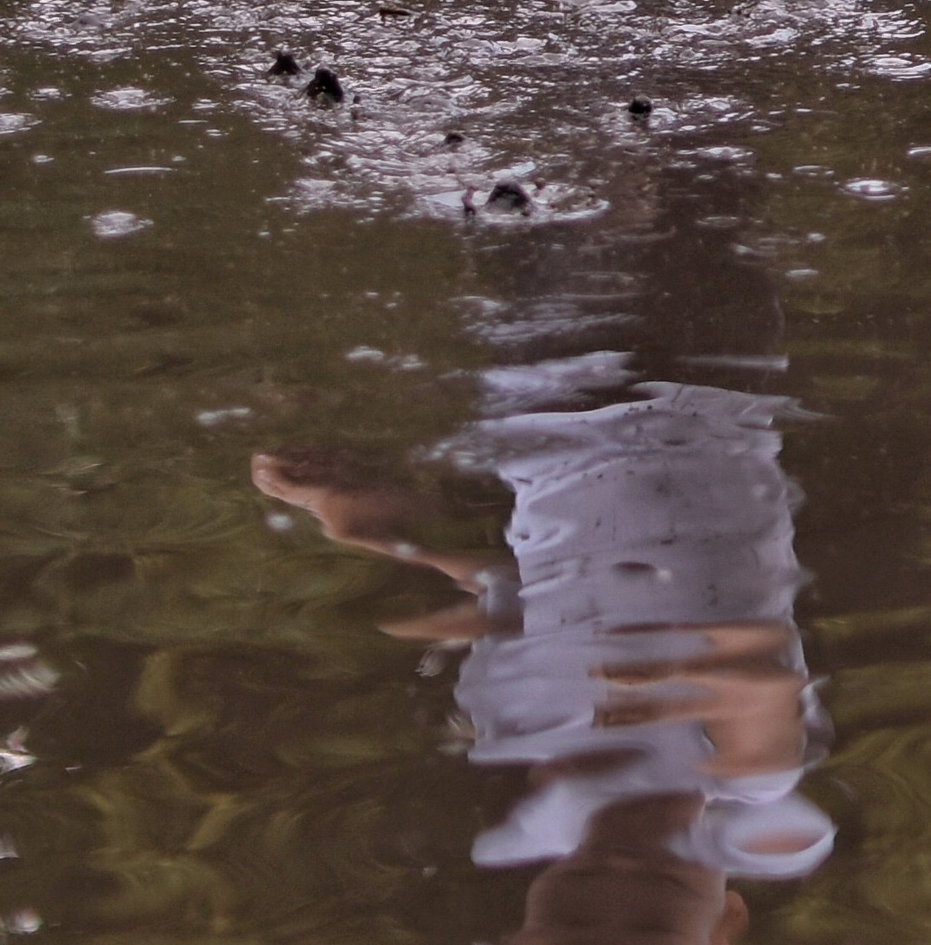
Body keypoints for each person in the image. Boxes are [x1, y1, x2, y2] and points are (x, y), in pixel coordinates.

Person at [253, 361, 833, 942]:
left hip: (540, 420)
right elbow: (763, 668)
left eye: (574, 918)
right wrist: (681, 670)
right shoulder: (750, 774)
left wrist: (381, 528)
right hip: (702, 390)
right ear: (724, 929)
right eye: (647, 927)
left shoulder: (517, 733)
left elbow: (508, 585)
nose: (618, 891)